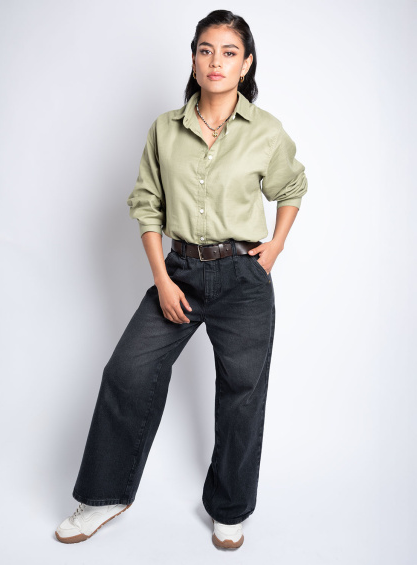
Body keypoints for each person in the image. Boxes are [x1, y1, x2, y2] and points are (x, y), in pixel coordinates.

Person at [55, 9, 308, 550]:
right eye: (206, 50)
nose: (216, 61)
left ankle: (229, 508)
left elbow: (291, 188)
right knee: (126, 372)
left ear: (246, 63)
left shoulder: (266, 132)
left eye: (229, 52)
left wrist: (275, 247)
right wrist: (162, 279)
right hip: (181, 272)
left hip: (243, 279)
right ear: (193, 59)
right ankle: (105, 496)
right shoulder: (165, 129)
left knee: (242, 395)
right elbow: (146, 204)